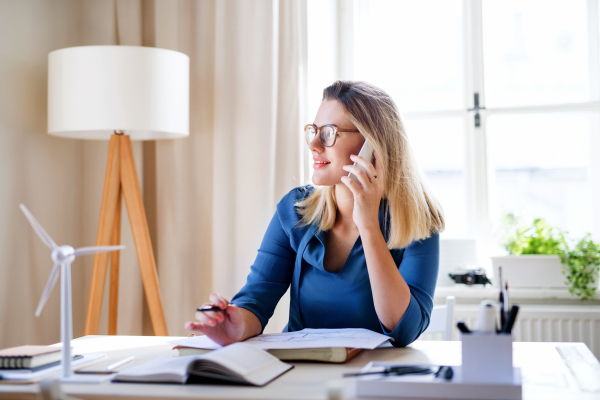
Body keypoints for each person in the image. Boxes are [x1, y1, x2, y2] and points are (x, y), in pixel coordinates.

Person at [186, 80, 445, 347]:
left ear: (372, 145)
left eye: (329, 133)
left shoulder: (419, 220)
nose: (314, 145)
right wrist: (235, 324)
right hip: (300, 375)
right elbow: (257, 299)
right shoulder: (295, 209)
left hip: (375, 381)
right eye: (313, 131)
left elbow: (404, 330)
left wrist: (368, 225)